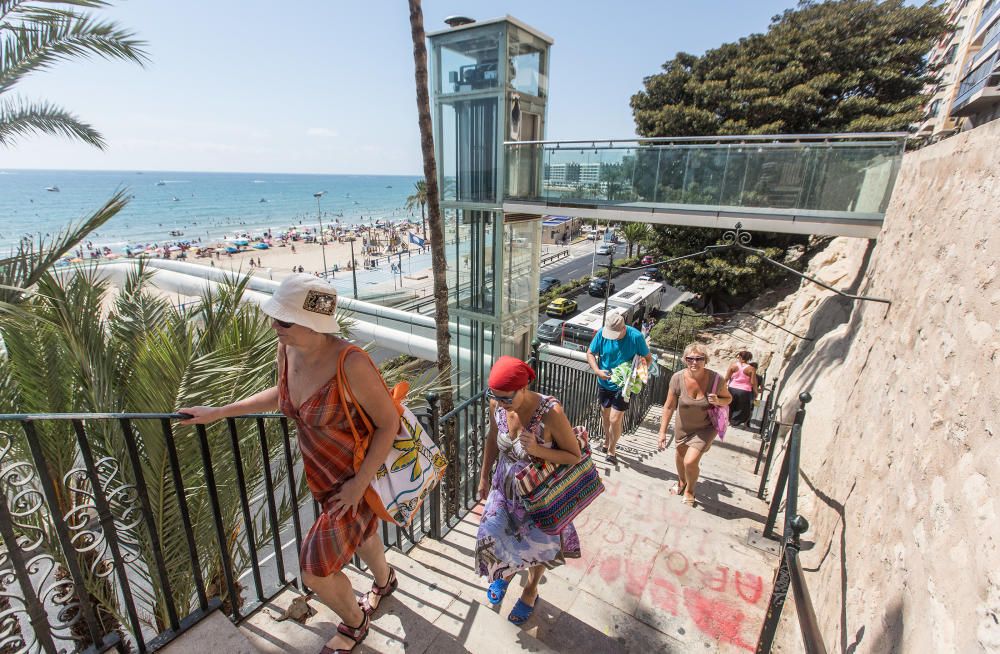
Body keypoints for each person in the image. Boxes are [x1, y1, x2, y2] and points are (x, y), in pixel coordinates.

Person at [179, 274, 399, 653]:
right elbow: (284, 393)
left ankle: (356, 623)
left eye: (283, 320)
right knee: (361, 533)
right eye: (274, 316)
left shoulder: (351, 364)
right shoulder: (288, 348)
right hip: (325, 478)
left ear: (314, 324)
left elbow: (388, 424)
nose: (273, 325)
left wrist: (359, 484)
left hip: (354, 482)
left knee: (315, 571)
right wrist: (219, 412)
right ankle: (385, 581)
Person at [475, 356, 582, 626]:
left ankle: (531, 590)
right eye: (494, 396)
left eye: (506, 398)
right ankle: (506, 574)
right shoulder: (496, 403)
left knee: (538, 550)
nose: (500, 403)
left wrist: (537, 450)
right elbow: (492, 436)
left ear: (523, 388)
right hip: (504, 488)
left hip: (538, 497)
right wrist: (484, 475)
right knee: (493, 536)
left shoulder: (550, 412)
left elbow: (574, 455)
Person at [657, 343, 732, 507]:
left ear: (706, 360)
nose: (694, 362)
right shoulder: (677, 378)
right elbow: (669, 406)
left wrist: (718, 400)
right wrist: (662, 432)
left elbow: (728, 398)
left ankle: (690, 490)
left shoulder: (716, 379)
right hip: (683, 426)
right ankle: (682, 481)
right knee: (680, 456)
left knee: (690, 462)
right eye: (690, 358)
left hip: (706, 427)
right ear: (685, 360)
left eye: (699, 359)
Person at [586, 312, 652, 464]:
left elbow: (648, 359)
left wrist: (637, 373)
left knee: (615, 419)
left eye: (614, 334)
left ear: (623, 329)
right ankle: (607, 441)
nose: (610, 337)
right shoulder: (602, 333)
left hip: (623, 385)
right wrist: (597, 371)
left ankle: (611, 451)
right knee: (605, 415)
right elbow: (590, 353)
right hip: (603, 382)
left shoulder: (635, 337)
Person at [725, 351, 756, 428]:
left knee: (730, 404)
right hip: (744, 391)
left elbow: (726, 378)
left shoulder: (733, 366)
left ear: (740, 357)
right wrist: (755, 391)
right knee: (741, 408)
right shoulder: (751, 369)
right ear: (749, 358)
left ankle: (727, 420)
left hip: (732, 388)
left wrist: (722, 386)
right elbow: (752, 382)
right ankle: (734, 422)